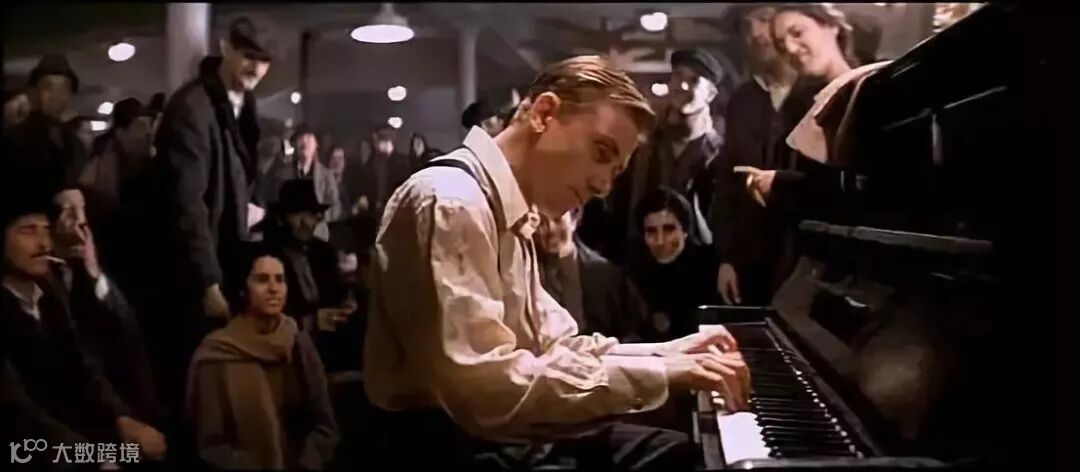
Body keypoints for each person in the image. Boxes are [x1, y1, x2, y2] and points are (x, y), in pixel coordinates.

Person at [365, 55, 750, 471]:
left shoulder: (506, 206)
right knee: (683, 457)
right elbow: (484, 390)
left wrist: (670, 354)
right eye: (601, 153)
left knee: (680, 448)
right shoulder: (454, 202)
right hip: (450, 449)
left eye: (616, 172)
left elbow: (557, 346)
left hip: (494, 438)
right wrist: (663, 374)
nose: (603, 186)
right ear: (544, 113)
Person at [117, 16, 275, 422]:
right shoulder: (193, 107)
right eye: (247, 55)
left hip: (222, 256)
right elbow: (187, 203)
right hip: (188, 270)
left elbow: (239, 174)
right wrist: (207, 279)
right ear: (225, 48)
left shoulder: (241, 103)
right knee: (189, 380)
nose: (255, 67)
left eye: (263, 60)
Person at [0, 179, 166, 460]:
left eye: (46, 230)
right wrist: (93, 459)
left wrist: (121, 419)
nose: (43, 243)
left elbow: (82, 369)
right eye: (28, 231)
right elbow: (17, 412)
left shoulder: (50, 297)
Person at [187, 249, 339, 470]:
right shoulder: (217, 354)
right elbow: (212, 445)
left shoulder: (296, 341)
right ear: (243, 290)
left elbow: (325, 424)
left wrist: (308, 463)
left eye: (280, 280)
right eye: (262, 280)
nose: (273, 288)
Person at [593, 48, 724, 266]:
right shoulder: (642, 143)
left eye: (694, 81)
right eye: (678, 76)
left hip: (696, 268)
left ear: (710, 95)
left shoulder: (720, 154)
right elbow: (618, 205)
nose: (683, 86)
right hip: (639, 263)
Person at [708, 4, 800, 307]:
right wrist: (727, 258)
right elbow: (727, 184)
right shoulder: (742, 100)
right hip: (752, 265)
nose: (756, 34)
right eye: (748, 26)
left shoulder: (818, 90)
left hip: (806, 262)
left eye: (764, 19)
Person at [536, 208, 647, 342]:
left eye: (557, 220)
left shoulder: (606, 274)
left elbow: (633, 332)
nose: (550, 229)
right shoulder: (525, 272)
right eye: (541, 222)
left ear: (575, 218)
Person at [628, 188, 722, 343]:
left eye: (669, 229)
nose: (660, 241)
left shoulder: (711, 269)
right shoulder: (634, 271)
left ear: (685, 230)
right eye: (651, 231)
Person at [76, 98, 155, 258]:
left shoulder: (139, 160)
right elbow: (106, 197)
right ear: (121, 131)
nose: (147, 134)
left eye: (149, 127)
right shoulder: (108, 156)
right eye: (139, 127)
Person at [4, 54, 88, 196]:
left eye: (64, 87)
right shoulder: (15, 139)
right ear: (34, 93)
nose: (57, 95)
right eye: (48, 87)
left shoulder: (76, 144)